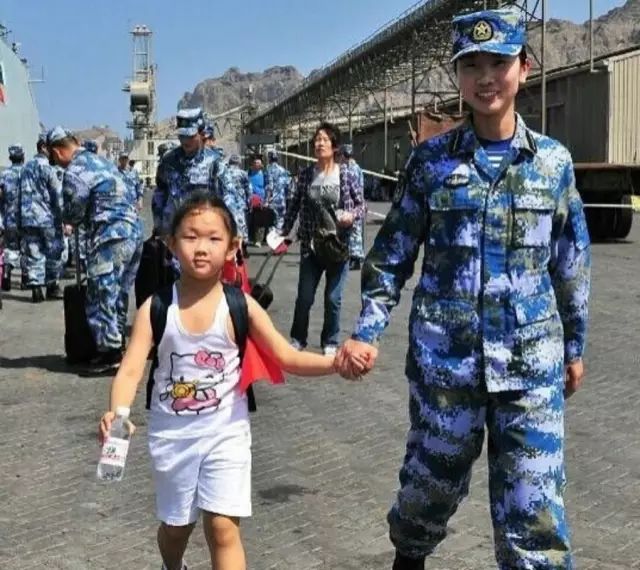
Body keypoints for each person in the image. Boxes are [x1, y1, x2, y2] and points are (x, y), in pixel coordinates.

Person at [335, 8, 591, 570]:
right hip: (447, 368)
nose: (485, 77)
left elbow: (571, 262)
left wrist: (574, 347)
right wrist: (366, 331)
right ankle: (409, 558)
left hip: (530, 368)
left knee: (535, 518)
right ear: (456, 75)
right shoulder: (430, 163)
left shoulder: (553, 164)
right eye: (470, 65)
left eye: (499, 62)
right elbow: (392, 255)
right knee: (427, 494)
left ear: (524, 68)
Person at [98, 192, 336, 570]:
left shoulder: (241, 305)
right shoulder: (156, 307)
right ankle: (172, 565)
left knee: (224, 528)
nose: (201, 247)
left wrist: (336, 363)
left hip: (227, 432)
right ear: (171, 244)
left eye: (213, 238)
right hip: (171, 436)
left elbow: (287, 356)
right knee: (176, 528)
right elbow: (129, 370)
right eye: (190, 237)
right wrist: (118, 412)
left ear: (232, 247)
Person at [48, 127, 143, 373]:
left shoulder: (76, 171)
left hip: (110, 235)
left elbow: (73, 213)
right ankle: (117, 342)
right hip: (133, 232)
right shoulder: (102, 162)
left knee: (101, 291)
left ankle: (109, 353)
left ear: (57, 152)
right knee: (118, 291)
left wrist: (67, 217)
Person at [281, 122, 364, 356]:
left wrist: (351, 215)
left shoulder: (346, 174)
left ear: (335, 146)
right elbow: (294, 205)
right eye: (317, 139)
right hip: (311, 247)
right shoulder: (306, 175)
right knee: (304, 297)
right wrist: (283, 232)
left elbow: (361, 205)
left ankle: (330, 341)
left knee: (333, 299)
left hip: (337, 246)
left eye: (325, 139)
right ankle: (298, 338)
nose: (319, 143)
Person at [152, 108, 226, 238]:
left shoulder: (214, 162)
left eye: (190, 136)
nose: (185, 141)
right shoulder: (168, 161)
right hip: (173, 234)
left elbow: (226, 199)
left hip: (203, 234)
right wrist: (159, 225)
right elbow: (160, 193)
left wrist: (232, 232)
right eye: (181, 136)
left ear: (202, 133)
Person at [19, 134, 65, 302]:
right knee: (53, 251)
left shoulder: (25, 168)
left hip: (27, 217)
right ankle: (52, 285)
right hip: (47, 218)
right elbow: (57, 195)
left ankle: (36, 286)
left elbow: (19, 194)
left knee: (33, 251)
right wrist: (63, 218)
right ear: (43, 148)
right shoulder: (49, 168)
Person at [0, 144, 25, 291]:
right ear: (23, 157)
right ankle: (25, 279)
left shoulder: (4, 175)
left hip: (9, 218)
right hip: (27, 218)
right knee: (26, 248)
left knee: (10, 248)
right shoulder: (27, 173)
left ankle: (7, 273)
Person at [339, 144, 366, 270]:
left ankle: (355, 259)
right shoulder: (357, 168)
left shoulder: (348, 169)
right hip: (357, 202)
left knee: (353, 233)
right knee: (356, 232)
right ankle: (354, 257)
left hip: (351, 203)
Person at [219, 154, 252, 245]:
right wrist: (249, 202)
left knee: (227, 221)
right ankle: (243, 242)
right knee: (241, 222)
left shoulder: (224, 173)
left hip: (226, 201)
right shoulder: (243, 173)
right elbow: (249, 189)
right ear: (239, 162)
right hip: (240, 201)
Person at [265, 150, 291, 233]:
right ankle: (279, 236)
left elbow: (270, 186)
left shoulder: (269, 169)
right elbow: (288, 185)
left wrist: (267, 200)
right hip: (282, 199)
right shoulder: (283, 170)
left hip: (272, 200)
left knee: (271, 222)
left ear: (269, 158)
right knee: (281, 221)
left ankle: (273, 237)